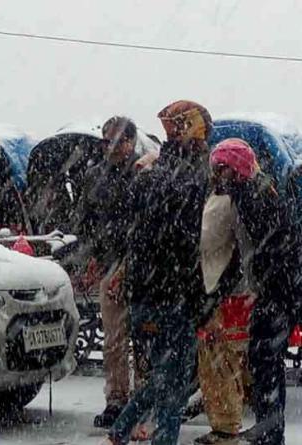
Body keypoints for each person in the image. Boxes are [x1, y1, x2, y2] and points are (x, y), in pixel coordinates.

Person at [102, 100, 214, 445]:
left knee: (163, 377)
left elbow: (130, 237)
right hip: (172, 298)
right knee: (171, 382)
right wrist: (201, 301)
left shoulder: (147, 180)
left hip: (146, 295)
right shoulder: (190, 184)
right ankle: (148, 437)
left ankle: (119, 433)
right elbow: (192, 249)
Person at [208, 138, 302, 445]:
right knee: (264, 359)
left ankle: (270, 432)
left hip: (281, 289)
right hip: (282, 287)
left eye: (220, 170)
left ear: (235, 169)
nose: (216, 177)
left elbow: (264, 249)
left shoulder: (253, 197)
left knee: (265, 359)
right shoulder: (256, 190)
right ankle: (269, 429)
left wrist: (262, 287)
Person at [71, 116, 156, 436]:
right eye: (108, 141)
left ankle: (144, 398)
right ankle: (117, 399)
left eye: (120, 141)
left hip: (143, 267)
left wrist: (132, 262)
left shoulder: (144, 173)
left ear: (132, 142)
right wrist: (92, 257)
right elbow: (85, 221)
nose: (114, 147)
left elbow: (150, 223)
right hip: (110, 263)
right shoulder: (95, 176)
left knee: (144, 338)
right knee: (114, 338)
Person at [195, 189, 255, 445]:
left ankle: (226, 427)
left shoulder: (226, 203)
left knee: (221, 361)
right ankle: (228, 421)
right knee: (230, 361)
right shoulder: (245, 199)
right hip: (238, 292)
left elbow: (209, 241)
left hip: (225, 293)